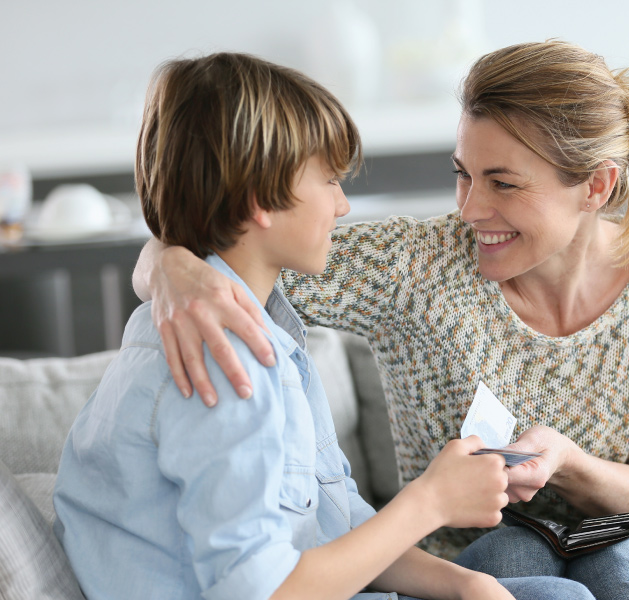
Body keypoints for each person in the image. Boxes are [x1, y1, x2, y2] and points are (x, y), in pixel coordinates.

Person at [133, 41, 629, 599]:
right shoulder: (415, 267)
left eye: (503, 184)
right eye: (463, 174)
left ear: (596, 186)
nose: (472, 209)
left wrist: (566, 462)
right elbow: (236, 244)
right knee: (509, 558)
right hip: (474, 548)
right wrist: (167, 268)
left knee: (620, 573)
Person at [53, 52, 594, 600]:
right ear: (261, 197)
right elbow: (261, 592)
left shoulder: (265, 335)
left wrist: (464, 584)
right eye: (331, 180)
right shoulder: (224, 360)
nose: (341, 204)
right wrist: (429, 502)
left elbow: (336, 522)